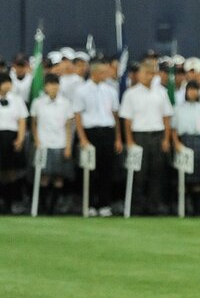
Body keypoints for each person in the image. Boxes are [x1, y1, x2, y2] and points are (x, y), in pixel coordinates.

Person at [119, 57, 175, 215]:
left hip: (157, 135)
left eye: (152, 73)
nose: (148, 76)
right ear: (138, 74)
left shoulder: (162, 93)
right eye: (145, 73)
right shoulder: (131, 94)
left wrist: (166, 138)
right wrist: (129, 141)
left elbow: (167, 117)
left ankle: (154, 206)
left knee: (156, 172)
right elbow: (127, 120)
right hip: (139, 136)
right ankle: (137, 206)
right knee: (139, 173)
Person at [73, 61, 121, 216]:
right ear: (94, 73)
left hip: (107, 131)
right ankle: (90, 204)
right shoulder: (81, 91)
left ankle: (104, 204)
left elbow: (115, 115)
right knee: (90, 171)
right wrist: (82, 138)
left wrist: (118, 138)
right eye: (103, 72)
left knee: (106, 170)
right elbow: (78, 116)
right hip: (90, 132)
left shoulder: (111, 91)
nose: (106, 75)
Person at [30, 73, 75, 214]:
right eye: (50, 84)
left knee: (58, 177)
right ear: (45, 87)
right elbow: (33, 124)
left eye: (56, 84)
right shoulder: (38, 103)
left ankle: (53, 209)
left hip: (60, 143)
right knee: (44, 177)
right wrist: (37, 141)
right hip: (43, 144)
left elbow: (69, 126)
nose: (54, 87)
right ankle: (42, 207)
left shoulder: (65, 103)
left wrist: (68, 146)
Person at [172, 79, 200, 213]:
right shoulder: (178, 109)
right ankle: (184, 206)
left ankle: (197, 207)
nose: (192, 92)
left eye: (195, 90)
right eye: (190, 89)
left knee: (198, 179)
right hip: (184, 142)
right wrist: (177, 144)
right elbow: (173, 130)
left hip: (199, 142)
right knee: (184, 178)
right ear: (186, 92)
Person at [0, 75, 25, 212]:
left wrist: (20, 139)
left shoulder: (16, 99)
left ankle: (11, 203)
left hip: (11, 137)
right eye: (5, 83)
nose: (8, 85)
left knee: (12, 171)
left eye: (9, 83)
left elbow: (21, 120)